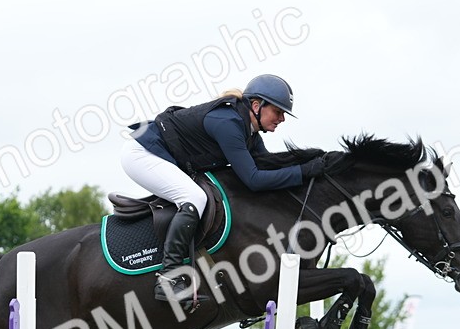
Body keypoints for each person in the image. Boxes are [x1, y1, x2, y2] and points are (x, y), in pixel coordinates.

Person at [122, 74, 339, 309]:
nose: (282, 118)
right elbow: (253, 180)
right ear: (257, 106)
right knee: (194, 197)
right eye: (278, 111)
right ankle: (168, 278)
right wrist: (303, 171)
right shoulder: (229, 124)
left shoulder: (250, 131)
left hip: (161, 155)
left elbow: (267, 164)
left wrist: (311, 166)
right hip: (142, 154)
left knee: (196, 195)